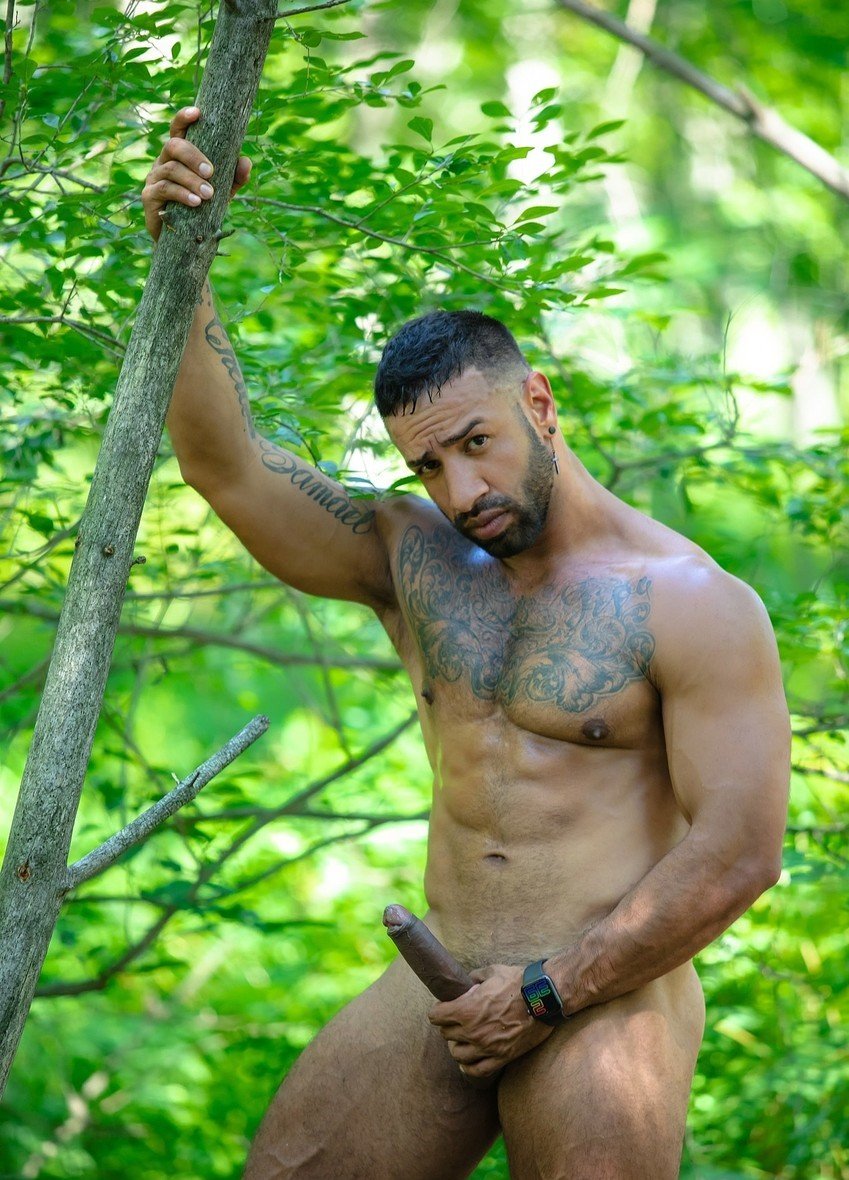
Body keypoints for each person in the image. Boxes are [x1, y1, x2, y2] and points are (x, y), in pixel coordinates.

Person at [142, 108, 790, 1180]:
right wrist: (186, 259)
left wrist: (546, 993)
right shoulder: (417, 559)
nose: (461, 489)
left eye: (477, 443)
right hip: (439, 977)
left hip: (606, 992)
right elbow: (229, 468)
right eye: (429, 466)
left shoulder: (690, 602)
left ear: (538, 401)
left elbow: (738, 852)